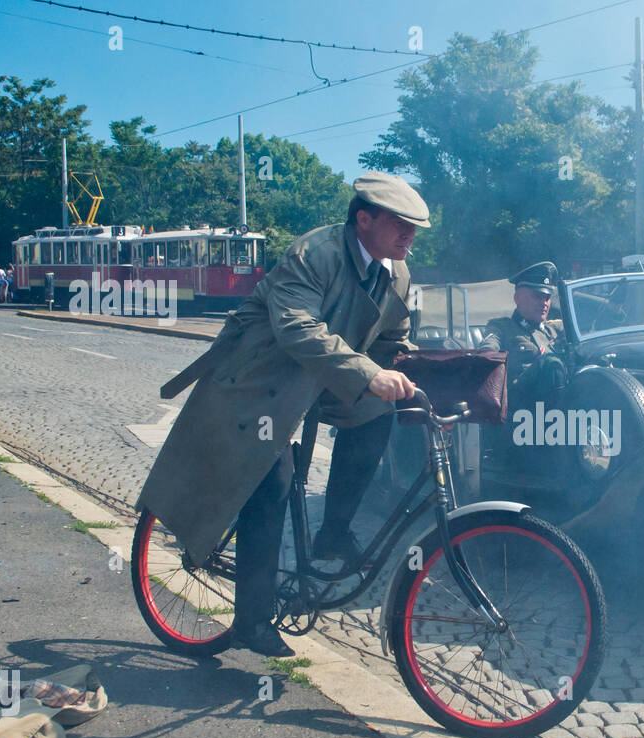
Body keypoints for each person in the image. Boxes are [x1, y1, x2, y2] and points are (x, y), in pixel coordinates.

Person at [137, 171, 428, 657]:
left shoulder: (395, 271)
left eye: (415, 228)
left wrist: (423, 367)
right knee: (270, 481)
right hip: (259, 378)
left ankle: (333, 533)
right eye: (401, 224)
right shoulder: (314, 253)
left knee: (379, 412)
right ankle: (252, 619)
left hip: (320, 376)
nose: (410, 237)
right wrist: (367, 372)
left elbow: (391, 340)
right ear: (364, 219)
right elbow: (295, 328)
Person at [478, 261, 566, 406]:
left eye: (547, 297)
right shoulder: (501, 327)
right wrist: (487, 353)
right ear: (517, 298)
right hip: (519, 408)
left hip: (554, 406)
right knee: (551, 363)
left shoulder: (553, 329)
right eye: (537, 296)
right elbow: (488, 350)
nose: (544, 303)